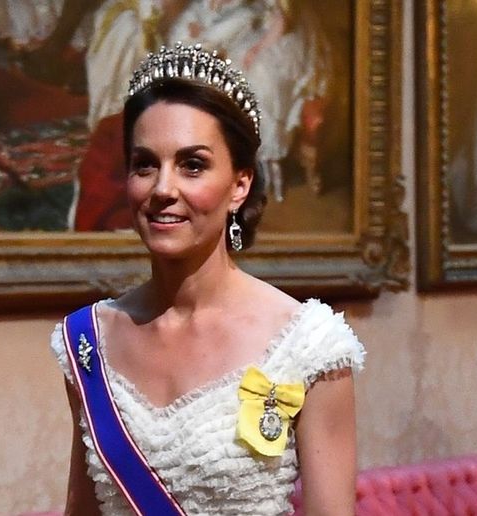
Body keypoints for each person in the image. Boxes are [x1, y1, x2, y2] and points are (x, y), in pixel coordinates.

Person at [51, 42, 365, 515]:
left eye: (192, 165)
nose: (163, 189)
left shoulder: (308, 345)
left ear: (240, 184)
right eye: (145, 164)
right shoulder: (87, 342)